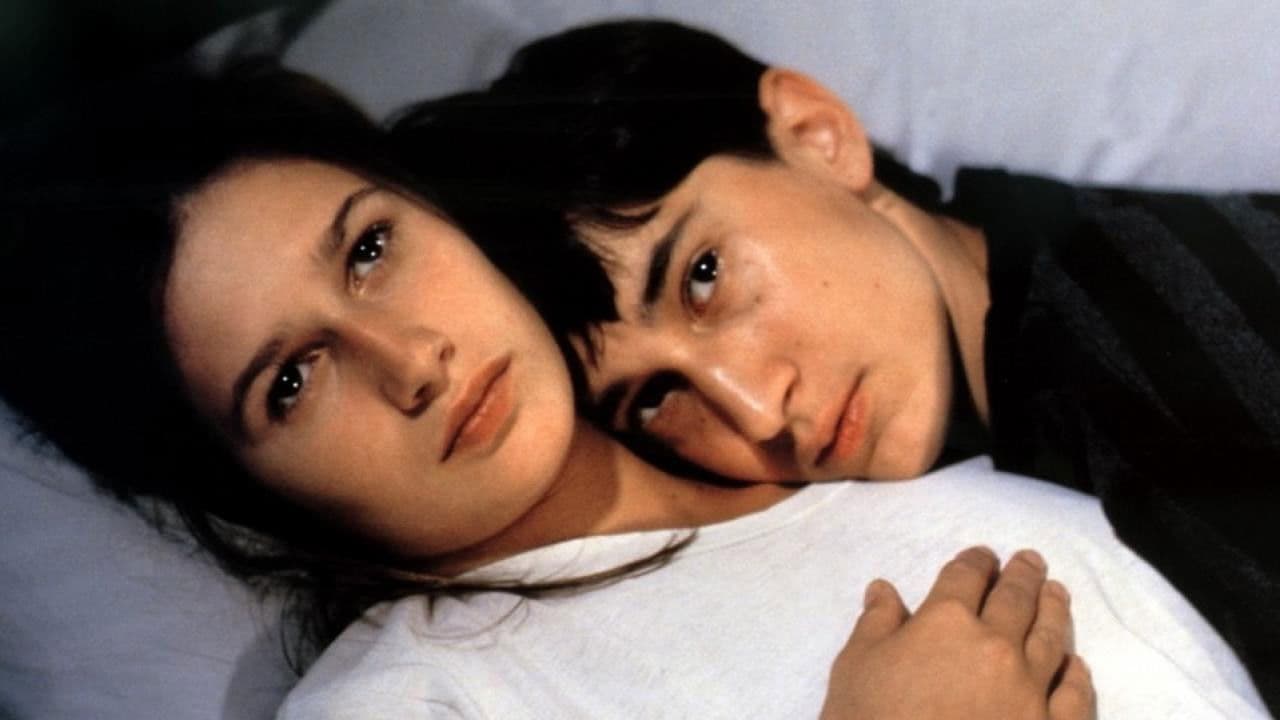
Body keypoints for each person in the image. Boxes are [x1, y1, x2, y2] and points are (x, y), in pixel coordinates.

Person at [0, 58, 1103, 719]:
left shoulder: (845, 422)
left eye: (371, 249)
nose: (410, 362)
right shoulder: (412, 701)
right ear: (242, 489)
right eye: (290, 382)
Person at [389, 19, 1280, 713]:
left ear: (816, 134)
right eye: (655, 398)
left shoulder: (1152, 335)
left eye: (704, 277)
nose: (754, 409)